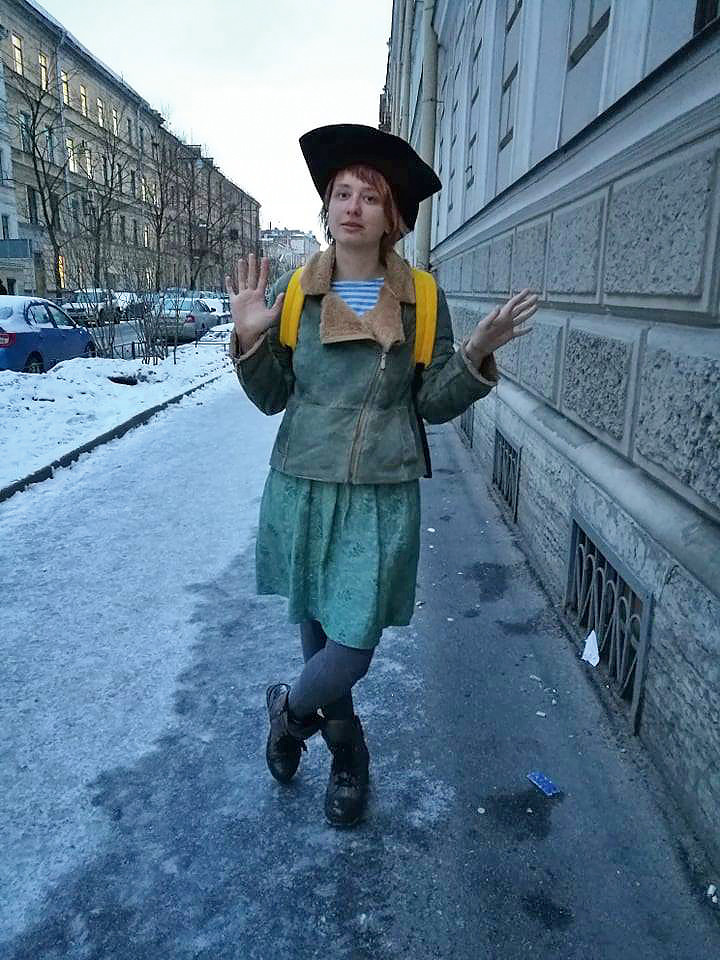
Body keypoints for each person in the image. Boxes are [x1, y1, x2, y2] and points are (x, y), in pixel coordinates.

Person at [226, 124, 537, 828]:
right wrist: (247, 337)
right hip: (304, 485)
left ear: (391, 214)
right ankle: (348, 756)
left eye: (369, 196)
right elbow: (272, 396)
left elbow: (431, 402)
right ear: (327, 207)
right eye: (341, 193)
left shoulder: (422, 297)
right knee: (320, 635)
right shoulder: (295, 291)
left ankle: (288, 714)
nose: (353, 206)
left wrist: (475, 354)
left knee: (352, 648)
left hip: (380, 494)